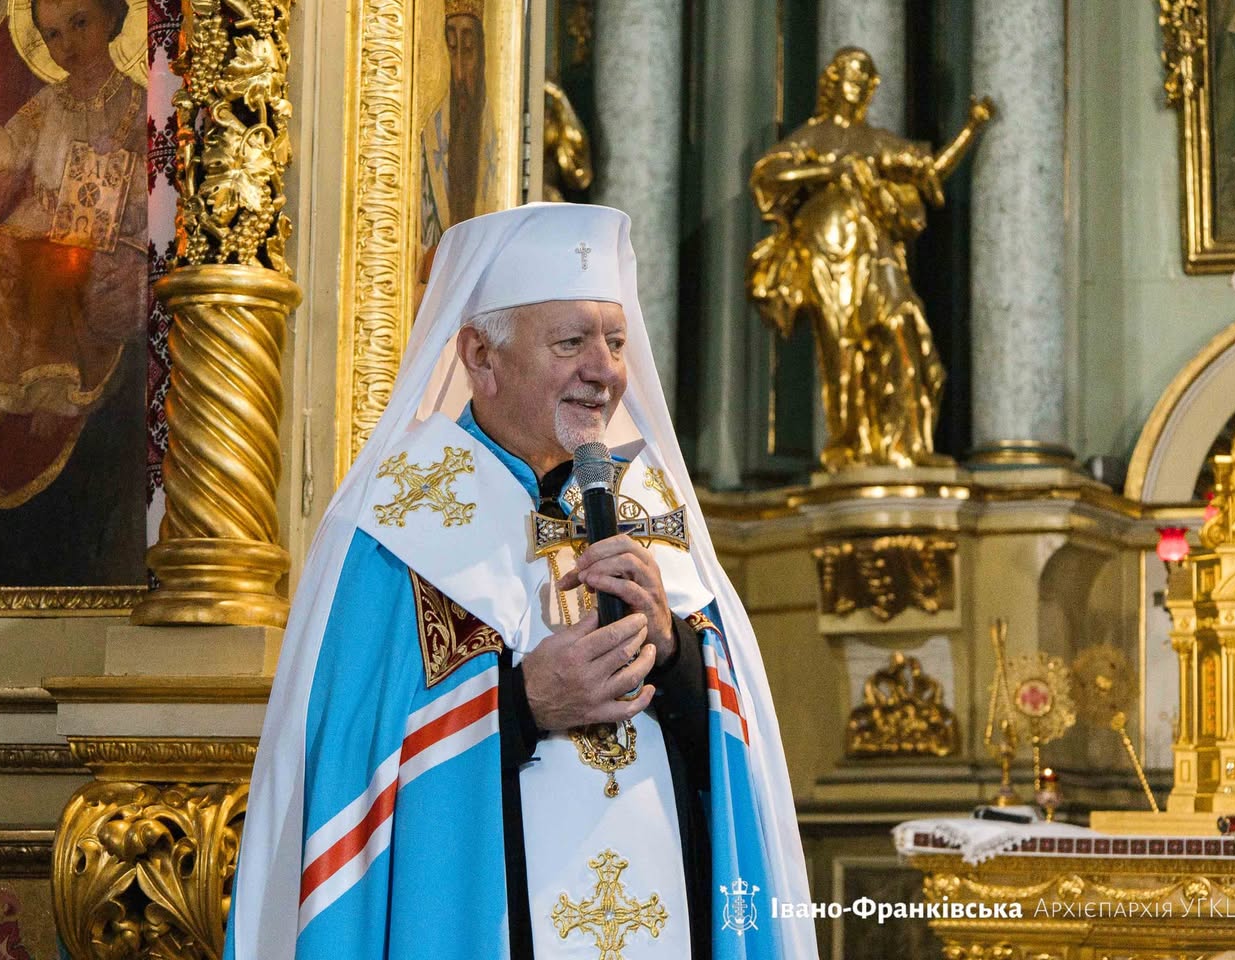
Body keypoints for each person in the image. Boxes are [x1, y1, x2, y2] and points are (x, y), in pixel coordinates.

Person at [227, 203, 816, 960]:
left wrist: (670, 650)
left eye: (615, 343)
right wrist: (522, 704)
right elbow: (351, 767)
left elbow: (737, 762)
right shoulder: (393, 527)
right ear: (481, 356)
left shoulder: (649, 507)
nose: (603, 371)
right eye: (571, 343)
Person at [747, 47, 991, 471]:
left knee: (904, 325)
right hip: (826, 253)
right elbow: (767, 175)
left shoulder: (877, 141)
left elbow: (930, 170)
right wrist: (829, 171)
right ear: (831, 82)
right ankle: (849, 447)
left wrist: (971, 128)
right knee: (841, 348)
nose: (857, 85)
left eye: (865, 78)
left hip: (875, 252)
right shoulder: (813, 136)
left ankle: (904, 445)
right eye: (849, 75)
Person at [0, 0, 148, 438]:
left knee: (65, 280)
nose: (67, 44)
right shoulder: (48, 101)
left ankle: (58, 393)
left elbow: (154, 182)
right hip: (41, 219)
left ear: (111, 18)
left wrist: (123, 190)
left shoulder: (137, 103)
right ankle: (2, 387)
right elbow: (11, 148)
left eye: (79, 23)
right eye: (53, 35)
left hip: (104, 226)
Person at [418, 0, 501, 253]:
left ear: (483, 54)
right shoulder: (431, 135)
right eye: (453, 49)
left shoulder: (499, 134)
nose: (461, 71)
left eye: (469, 49)